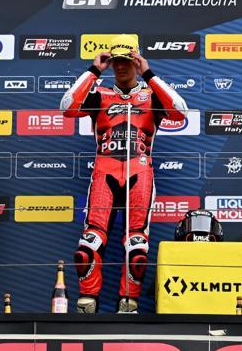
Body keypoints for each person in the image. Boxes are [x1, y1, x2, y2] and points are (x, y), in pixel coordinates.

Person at [61, 35, 188, 313]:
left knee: (137, 247)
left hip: (140, 175)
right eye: (116, 61)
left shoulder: (151, 95)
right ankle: (88, 299)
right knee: (88, 244)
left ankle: (128, 301)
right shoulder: (100, 94)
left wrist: (149, 74)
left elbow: (180, 112)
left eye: (126, 61)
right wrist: (94, 70)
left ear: (136, 61)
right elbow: (67, 107)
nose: (120, 66)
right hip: (103, 173)